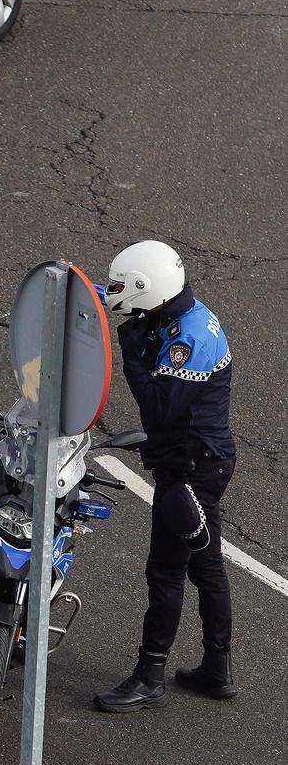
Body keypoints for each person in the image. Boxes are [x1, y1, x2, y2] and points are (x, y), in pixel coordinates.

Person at [94, 241, 237, 712]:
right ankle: (217, 669)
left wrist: (132, 358)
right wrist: (76, 285)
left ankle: (148, 677)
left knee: (167, 570)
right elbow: (115, 297)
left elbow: (159, 411)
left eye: (122, 286)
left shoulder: (188, 341)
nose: (116, 293)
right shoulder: (174, 310)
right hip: (200, 460)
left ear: (146, 287)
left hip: (190, 470)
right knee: (205, 565)